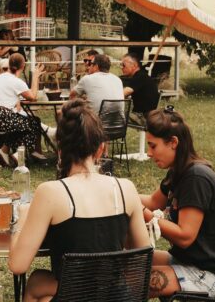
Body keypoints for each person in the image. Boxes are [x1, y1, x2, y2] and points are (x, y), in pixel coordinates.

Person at [8, 99, 151, 302]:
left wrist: (21, 219)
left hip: (74, 295)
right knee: (39, 281)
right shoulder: (126, 188)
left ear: (60, 149)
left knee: (36, 283)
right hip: (118, 296)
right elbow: (141, 258)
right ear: (101, 149)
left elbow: (17, 265)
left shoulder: (50, 192)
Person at [140, 106, 215, 298]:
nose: (149, 153)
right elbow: (152, 201)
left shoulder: (196, 178)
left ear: (173, 142)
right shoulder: (179, 171)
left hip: (207, 275)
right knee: (126, 264)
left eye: (153, 146)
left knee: (130, 283)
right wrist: (118, 192)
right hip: (188, 262)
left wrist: (143, 214)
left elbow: (185, 236)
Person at [0, 53, 48, 166]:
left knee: (28, 123)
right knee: (34, 122)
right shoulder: (16, 81)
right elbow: (33, 97)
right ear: (23, 66)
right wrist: (36, 77)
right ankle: (23, 154)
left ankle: (7, 151)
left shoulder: (1, 77)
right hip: (7, 117)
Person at [121, 53, 159, 126]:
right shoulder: (142, 75)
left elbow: (124, 93)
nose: (121, 67)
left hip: (142, 117)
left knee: (109, 116)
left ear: (134, 65)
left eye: (123, 65)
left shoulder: (139, 77)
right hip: (147, 115)